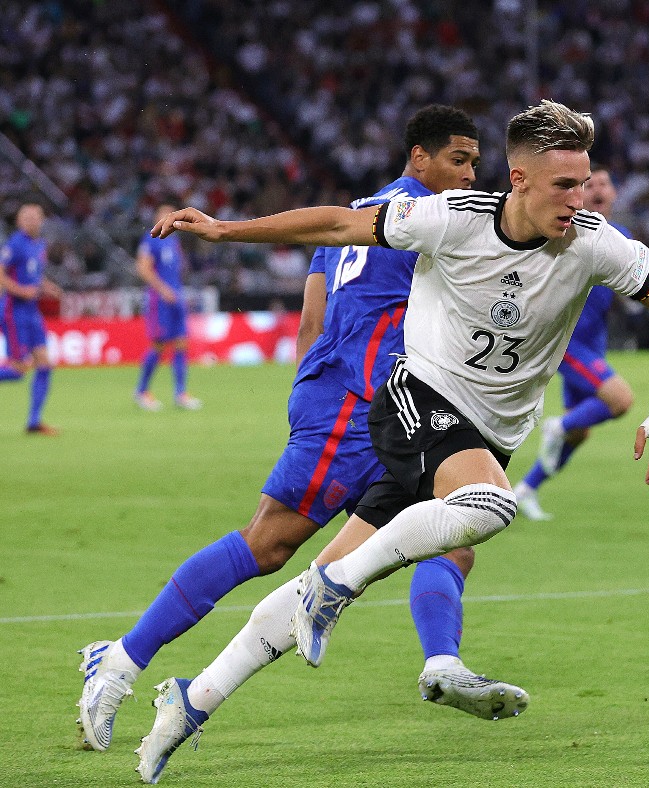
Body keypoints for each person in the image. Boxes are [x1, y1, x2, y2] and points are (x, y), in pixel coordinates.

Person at [146, 99, 649, 773]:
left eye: (583, 184)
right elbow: (340, 222)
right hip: (416, 398)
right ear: (518, 180)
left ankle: (192, 699)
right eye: (563, 186)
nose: (578, 200)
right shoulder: (453, 217)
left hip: (488, 434)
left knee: (340, 569)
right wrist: (224, 230)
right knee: (490, 506)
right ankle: (355, 604)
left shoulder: (593, 241)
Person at [75, 107, 524, 772]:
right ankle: (119, 661)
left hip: (386, 406)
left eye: (474, 163)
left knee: (453, 532)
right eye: (457, 160)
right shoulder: (424, 220)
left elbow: (312, 318)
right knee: (270, 543)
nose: (468, 174)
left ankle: (443, 665)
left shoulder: (368, 215)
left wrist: (308, 390)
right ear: (419, 157)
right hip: (357, 402)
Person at [515, 167, 636, 521]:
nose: (597, 189)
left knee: (580, 433)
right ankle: (557, 426)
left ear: (614, 193)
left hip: (594, 341)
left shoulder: (621, 236)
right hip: (566, 341)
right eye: (589, 184)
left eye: (604, 183)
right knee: (620, 400)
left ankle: (526, 490)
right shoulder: (565, 230)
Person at [1, 203, 63, 434]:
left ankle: (34, 422)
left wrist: (47, 287)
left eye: (34, 217)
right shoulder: (15, 244)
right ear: (18, 221)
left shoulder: (39, 245)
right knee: (18, 370)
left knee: (44, 365)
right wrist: (19, 290)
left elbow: (32, 275)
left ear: (42, 220)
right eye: (25, 217)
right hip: (14, 312)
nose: (30, 220)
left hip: (32, 312)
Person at [133, 204, 202, 411]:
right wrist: (163, 290)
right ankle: (141, 391)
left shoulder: (174, 241)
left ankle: (180, 393)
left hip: (176, 298)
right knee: (159, 345)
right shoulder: (151, 239)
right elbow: (143, 268)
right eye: (164, 215)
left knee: (181, 344)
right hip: (160, 300)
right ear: (157, 218)